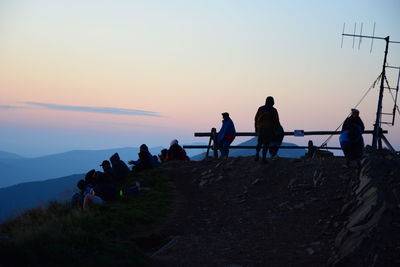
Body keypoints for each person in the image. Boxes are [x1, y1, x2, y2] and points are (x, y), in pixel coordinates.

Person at [254, 96, 281, 162]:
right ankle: (263, 158)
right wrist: (277, 129)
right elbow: (276, 121)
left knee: (259, 142)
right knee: (266, 143)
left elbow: (256, 118)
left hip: (260, 128)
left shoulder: (260, 108)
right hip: (268, 129)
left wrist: (256, 128)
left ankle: (257, 154)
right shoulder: (273, 110)